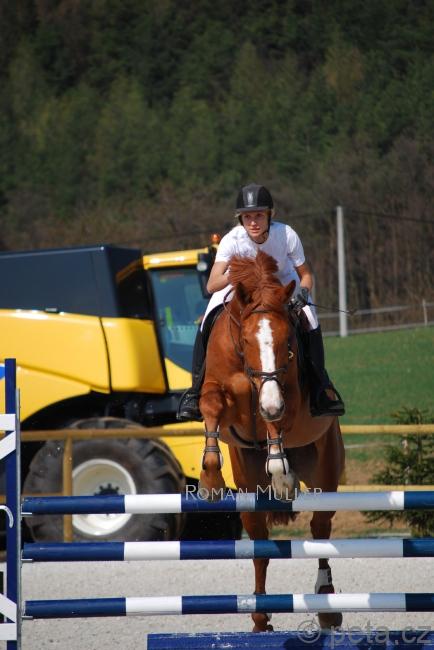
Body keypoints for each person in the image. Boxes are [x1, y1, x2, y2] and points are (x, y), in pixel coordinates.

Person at [177, 183, 345, 421]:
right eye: (247, 217)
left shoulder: (286, 234)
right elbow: (212, 285)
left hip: (281, 284)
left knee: (310, 319)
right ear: (241, 219)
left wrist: (303, 292)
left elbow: (306, 275)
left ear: (269, 216)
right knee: (208, 319)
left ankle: (320, 387)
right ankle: (195, 392)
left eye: (258, 215)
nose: (253, 222)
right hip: (242, 286)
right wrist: (237, 274)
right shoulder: (232, 240)